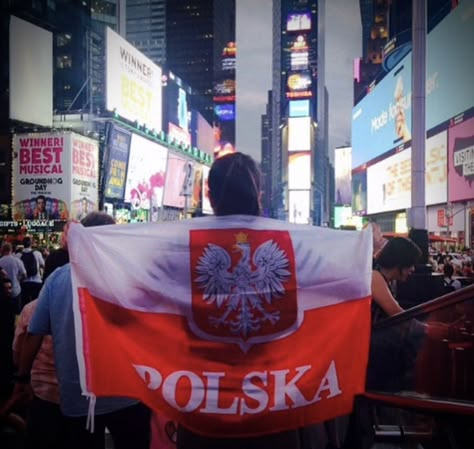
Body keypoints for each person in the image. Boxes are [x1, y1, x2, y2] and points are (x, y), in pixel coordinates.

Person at [176, 153, 301, 449]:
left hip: (204, 409)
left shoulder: (178, 248)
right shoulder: (293, 245)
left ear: (209, 196)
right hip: (272, 408)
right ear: (258, 194)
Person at [12, 212, 151, 449]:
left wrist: (22, 378)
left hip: (79, 397)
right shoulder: (131, 278)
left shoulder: (58, 279)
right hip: (129, 393)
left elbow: (34, 333)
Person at [12, 248, 70, 449]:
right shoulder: (88, 308)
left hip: (40, 392)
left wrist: (22, 377)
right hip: (80, 396)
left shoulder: (30, 310)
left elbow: (18, 353)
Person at [0, 242, 26, 313]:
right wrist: (18, 280)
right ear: (11, 250)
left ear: (2, 250)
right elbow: (24, 275)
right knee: (17, 313)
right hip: (15, 291)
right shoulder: (17, 261)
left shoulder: (0, 261)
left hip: (3, 293)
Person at [20, 236, 45, 308]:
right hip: (36, 282)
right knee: (36, 305)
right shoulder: (37, 253)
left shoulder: (18, 255)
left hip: (24, 283)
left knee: (25, 305)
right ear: (31, 244)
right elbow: (43, 265)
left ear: (23, 244)